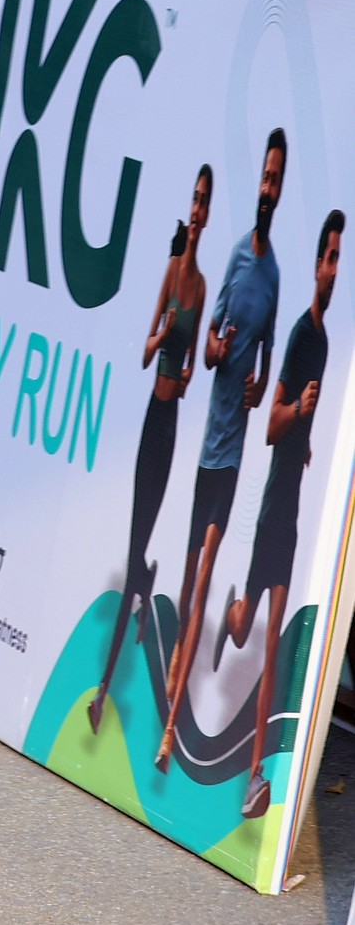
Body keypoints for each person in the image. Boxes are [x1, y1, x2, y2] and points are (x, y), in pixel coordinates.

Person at [156, 129, 287, 772]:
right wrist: (213, 350)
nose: (267, 189)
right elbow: (209, 348)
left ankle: (168, 732)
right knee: (188, 582)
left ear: (281, 194)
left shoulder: (276, 276)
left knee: (204, 577)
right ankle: (176, 678)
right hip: (207, 444)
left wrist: (259, 386)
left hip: (232, 457)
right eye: (264, 177)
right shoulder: (236, 258)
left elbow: (265, 369)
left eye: (275, 181)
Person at [218, 207, 338, 817]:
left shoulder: (327, 340)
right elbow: (271, 425)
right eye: (328, 258)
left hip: (290, 518)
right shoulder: (300, 336)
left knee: (269, 647)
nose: (334, 269)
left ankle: (256, 777)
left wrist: (308, 438)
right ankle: (231, 614)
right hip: (272, 511)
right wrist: (299, 414)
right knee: (247, 630)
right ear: (316, 265)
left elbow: (294, 430)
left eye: (340, 259)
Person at [87, 167, 213, 735]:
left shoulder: (201, 287)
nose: (197, 209)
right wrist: (163, 333)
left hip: (172, 424)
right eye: (194, 199)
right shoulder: (171, 271)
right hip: (150, 419)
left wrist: (187, 371)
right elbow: (145, 353)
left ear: (209, 213)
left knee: (143, 535)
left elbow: (191, 373)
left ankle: (142, 580)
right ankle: (103, 689)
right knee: (133, 542)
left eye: (204, 201)